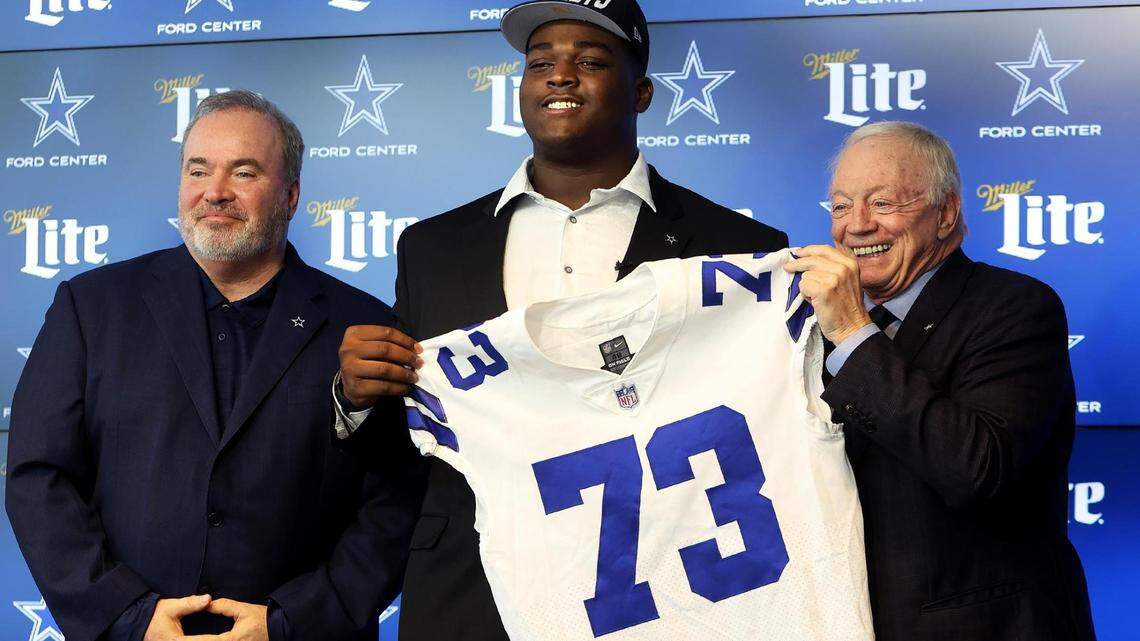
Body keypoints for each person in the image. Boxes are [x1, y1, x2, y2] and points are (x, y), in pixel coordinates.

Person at [333, 1, 789, 639]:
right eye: (540, 62)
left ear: (642, 92)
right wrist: (355, 398)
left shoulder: (739, 247)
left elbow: (766, 427)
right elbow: (411, 440)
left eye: (590, 61)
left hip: (667, 587)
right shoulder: (433, 248)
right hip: (473, 591)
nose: (560, 76)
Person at [5, 90, 422, 641]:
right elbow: (40, 478)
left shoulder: (367, 326)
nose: (215, 192)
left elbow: (399, 500)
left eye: (244, 172)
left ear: (291, 196)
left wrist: (290, 623)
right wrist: (126, 616)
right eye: (198, 170)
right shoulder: (90, 308)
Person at [785, 120, 1096, 641]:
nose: (855, 226)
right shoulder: (806, 329)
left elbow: (977, 468)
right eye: (840, 207)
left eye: (882, 204)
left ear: (946, 213)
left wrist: (854, 333)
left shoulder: (1015, 307)